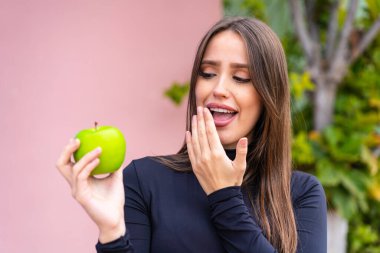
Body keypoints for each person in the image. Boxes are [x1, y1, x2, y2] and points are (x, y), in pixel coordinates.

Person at [56, 17, 327, 253]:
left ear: (269, 95)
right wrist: (112, 231)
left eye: (241, 77)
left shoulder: (301, 194)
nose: (218, 88)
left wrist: (224, 196)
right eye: (207, 73)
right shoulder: (145, 179)